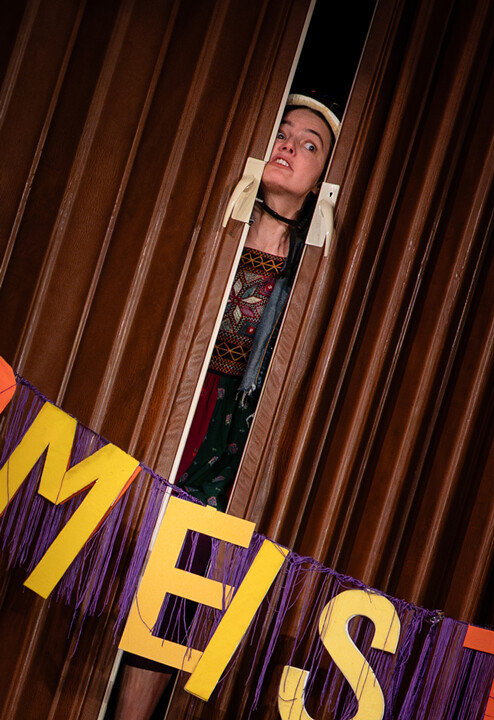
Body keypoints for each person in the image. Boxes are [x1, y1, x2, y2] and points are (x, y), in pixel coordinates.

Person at [110, 92, 340, 720]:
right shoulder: (212, 224)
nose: (288, 145)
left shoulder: (313, 269)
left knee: (179, 584)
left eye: (309, 144)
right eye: (282, 132)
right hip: (170, 407)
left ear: (325, 178)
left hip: (230, 435)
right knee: (119, 551)